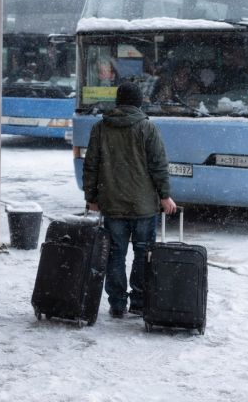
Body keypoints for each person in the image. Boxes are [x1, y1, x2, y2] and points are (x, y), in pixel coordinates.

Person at [82, 82, 177, 318]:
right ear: (138, 103)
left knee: (115, 254)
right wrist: (164, 196)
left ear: (117, 101)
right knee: (144, 254)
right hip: (144, 207)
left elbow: (90, 166)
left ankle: (116, 303)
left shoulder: (100, 128)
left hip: (112, 204)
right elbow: (159, 166)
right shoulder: (147, 128)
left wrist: (91, 197)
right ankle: (139, 301)